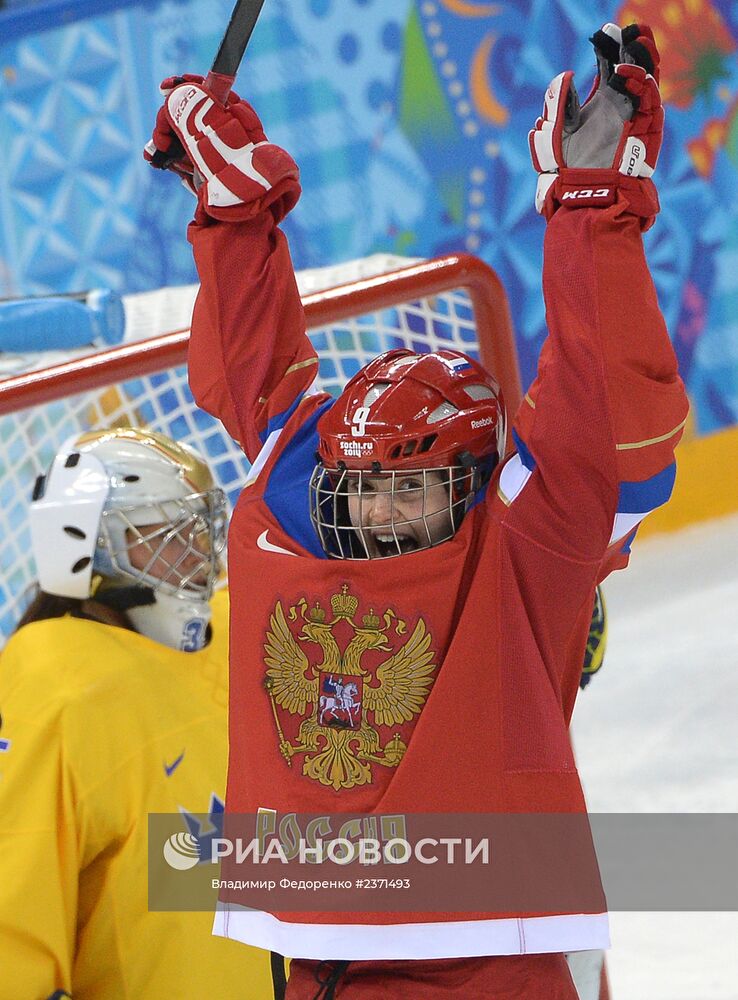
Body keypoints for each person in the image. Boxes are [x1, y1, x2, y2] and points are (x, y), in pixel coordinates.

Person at [145, 19, 688, 1000]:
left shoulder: (525, 543)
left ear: (474, 477)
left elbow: (611, 422)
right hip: (316, 950)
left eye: (410, 481)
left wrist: (592, 206)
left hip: (488, 956)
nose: (380, 507)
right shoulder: (287, 503)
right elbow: (256, 376)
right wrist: (228, 213)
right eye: (364, 480)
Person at [0, 428, 279, 999]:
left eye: (202, 529)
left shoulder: (240, 633)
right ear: (86, 544)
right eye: (170, 533)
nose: (200, 553)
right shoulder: (56, 690)